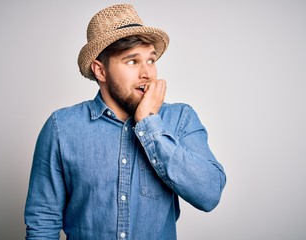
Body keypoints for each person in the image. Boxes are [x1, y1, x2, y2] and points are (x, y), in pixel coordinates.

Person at [24, 4, 226, 240]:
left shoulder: (180, 118)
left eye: (151, 60)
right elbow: (43, 223)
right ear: (100, 71)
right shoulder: (62, 128)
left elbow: (209, 194)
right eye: (132, 61)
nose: (148, 73)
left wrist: (150, 125)